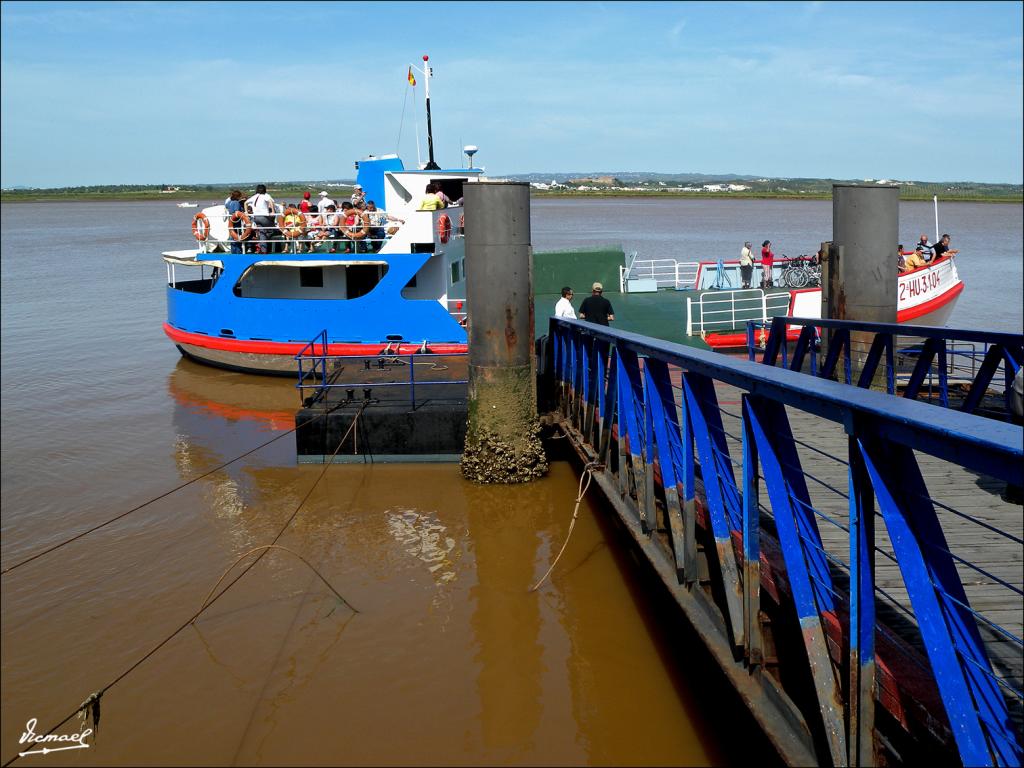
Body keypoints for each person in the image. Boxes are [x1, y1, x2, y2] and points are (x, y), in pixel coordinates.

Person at [246, 184, 277, 254]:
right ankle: (263, 244)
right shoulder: (265, 195)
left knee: (262, 232)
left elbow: (245, 203)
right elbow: (271, 202)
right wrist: (272, 211)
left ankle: (263, 250)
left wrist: (246, 212)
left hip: (256, 218)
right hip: (264, 217)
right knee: (273, 229)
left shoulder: (254, 196)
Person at [225, 189, 244, 254]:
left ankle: (233, 251)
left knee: (232, 236)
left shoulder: (229, 202)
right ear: (238, 196)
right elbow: (237, 213)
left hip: (230, 222)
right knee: (237, 235)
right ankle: (238, 251)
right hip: (236, 222)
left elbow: (226, 205)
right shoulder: (236, 203)